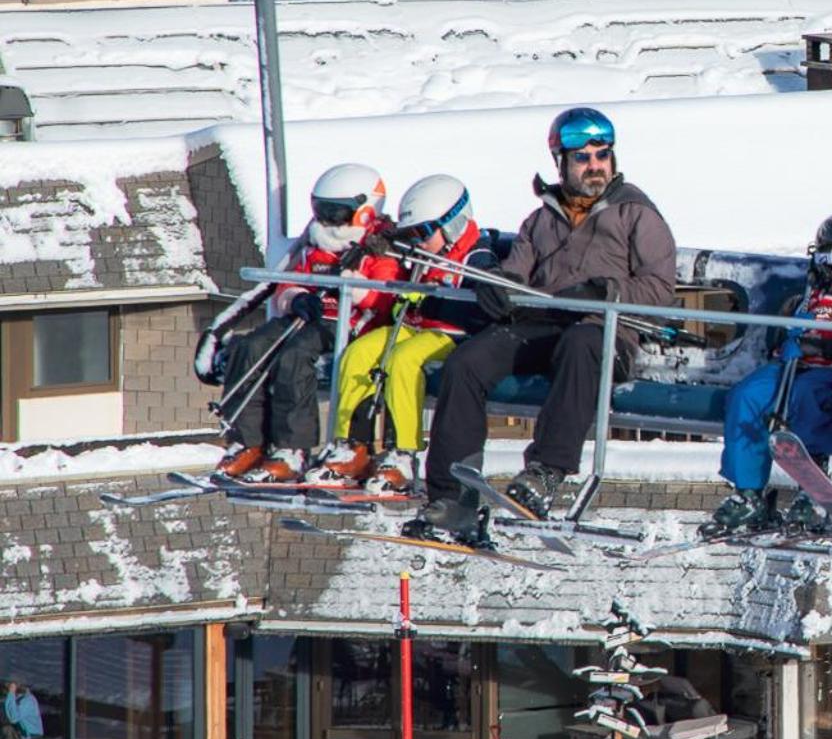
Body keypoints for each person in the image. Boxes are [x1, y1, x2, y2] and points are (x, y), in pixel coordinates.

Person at [412, 107, 677, 541]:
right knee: (468, 362)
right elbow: (518, 269)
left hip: (604, 330)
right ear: (561, 163)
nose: (594, 166)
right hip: (540, 324)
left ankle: (546, 472)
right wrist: (500, 287)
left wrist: (603, 291)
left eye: (601, 155)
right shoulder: (541, 220)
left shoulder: (637, 215)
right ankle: (452, 497)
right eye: (582, 158)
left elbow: (659, 288)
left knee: (580, 343)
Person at [704, 212, 832, 537]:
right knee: (747, 396)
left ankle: (816, 487)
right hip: (793, 366)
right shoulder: (813, 293)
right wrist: (790, 337)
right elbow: (792, 327)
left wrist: (828, 349)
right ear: (825, 259)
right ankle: (749, 493)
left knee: (810, 395)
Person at [209, 164, 402, 482]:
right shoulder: (316, 241)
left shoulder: (379, 245)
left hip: (349, 323)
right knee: (250, 346)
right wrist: (297, 297)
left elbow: (383, 297)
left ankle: (293, 448)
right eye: (322, 210)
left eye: (338, 212)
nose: (329, 220)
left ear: (364, 208)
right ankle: (248, 441)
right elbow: (289, 282)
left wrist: (350, 285)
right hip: (309, 315)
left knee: (294, 356)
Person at [308, 175, 495, 494]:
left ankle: (403, 453)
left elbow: (477, 307)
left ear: (453, 223)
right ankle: (353, 446)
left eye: (424, 232)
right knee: (359, 353)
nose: (419, 241)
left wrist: (430, 299)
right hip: (415, 325)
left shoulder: (475, 257)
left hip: (451, 335)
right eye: (413, 235)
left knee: (403, 361)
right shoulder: (423, 255)